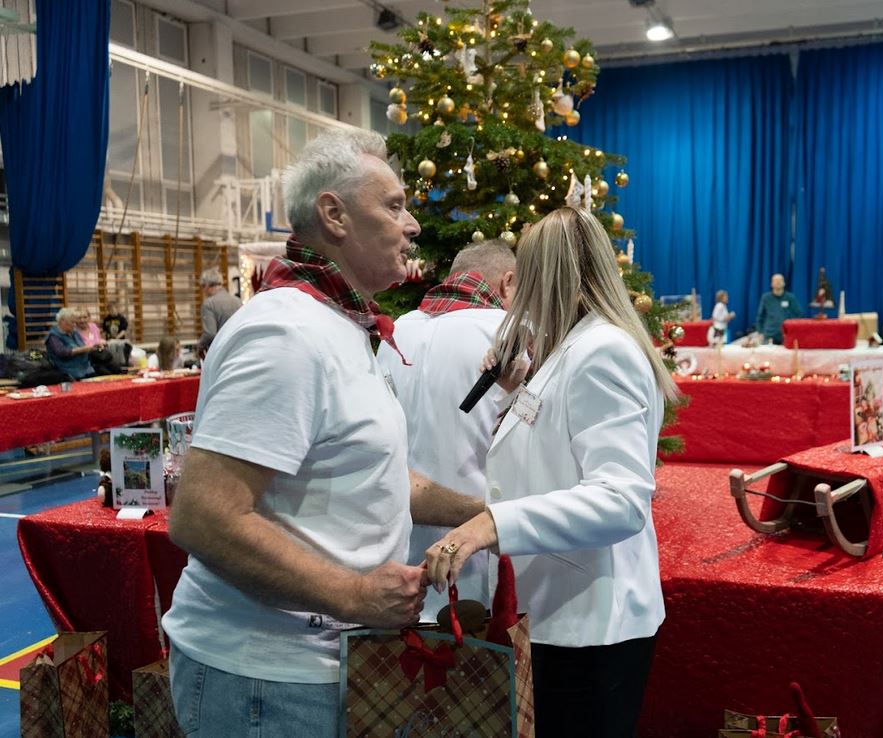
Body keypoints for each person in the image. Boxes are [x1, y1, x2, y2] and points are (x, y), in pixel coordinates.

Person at [162, 128, 485, 737]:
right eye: (394, 206)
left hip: (317, 668)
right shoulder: (286, 334)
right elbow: (203, 518)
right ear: (334, 215)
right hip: (265, 680)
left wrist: (487, 515)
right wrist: (353, 595)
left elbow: (381, 476)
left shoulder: (338, 323)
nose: (412, 224)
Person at [424, 207, 679, 737]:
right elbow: (556, 448)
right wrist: (515, 391)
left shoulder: (602, 351)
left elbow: (621, 500)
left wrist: (492, 524)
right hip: (558, 615)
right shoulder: (572, 349)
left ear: (542, 275)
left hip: (591, 626)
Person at [379, 239, 517, 621]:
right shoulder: (511, 334)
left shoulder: (396, 332)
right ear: (507, 283)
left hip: (401, 562)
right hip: (480, 559)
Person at [45, 307, 101, 380]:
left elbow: (83, 345)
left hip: (86, 369)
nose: (75, 325)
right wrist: (82, 349)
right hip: (69, 372)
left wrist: (93, 347)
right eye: (72, 322)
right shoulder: (53, 336)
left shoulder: (74, 332)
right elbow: (62, 352)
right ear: (63, 321)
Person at [196, 267, 242, 355]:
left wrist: (200, 346)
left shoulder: (209, 304)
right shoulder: (238, 301)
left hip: (222, 352)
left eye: (202, 287)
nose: (203, 291)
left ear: (207, 285)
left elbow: (210, 334)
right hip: (239, 349)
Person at [755, 273, 803, 344]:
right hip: (770, 335)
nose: (778, 282)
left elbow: (799, 315)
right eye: (775, 280)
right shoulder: (766, 298)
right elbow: (760, 316)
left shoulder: (790, 297)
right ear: (771, 284)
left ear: (784, 283)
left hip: (787, 334)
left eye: (780, 280)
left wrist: (794, 330)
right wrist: (760, 332)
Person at [101, 301, 132, 367]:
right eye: (109, 310)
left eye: (112, 310)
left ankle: (122, 363)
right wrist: (103, 340)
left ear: (117, 309)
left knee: (119, 354)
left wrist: (116, 338)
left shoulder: (121, 319)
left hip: (119, 341)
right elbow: (104, 331)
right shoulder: (106, 319)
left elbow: (123, 331)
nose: (110, 312)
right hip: (109, 341)